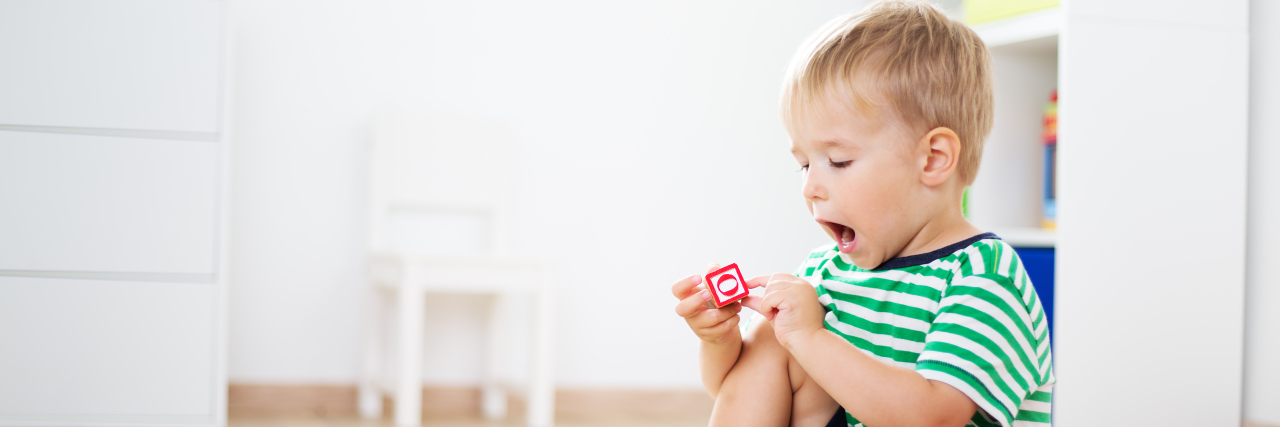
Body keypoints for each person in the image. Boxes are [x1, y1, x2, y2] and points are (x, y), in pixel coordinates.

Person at [671, 1, 1055, 426]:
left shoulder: (984, 277)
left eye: (837, 161)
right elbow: (738, 393)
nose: (810, 187)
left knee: (794, 335)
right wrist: (721, 343)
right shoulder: (824, 271)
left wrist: (810, 337)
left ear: (932, 159)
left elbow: (932, 418)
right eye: (805, 164)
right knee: (773, 339)